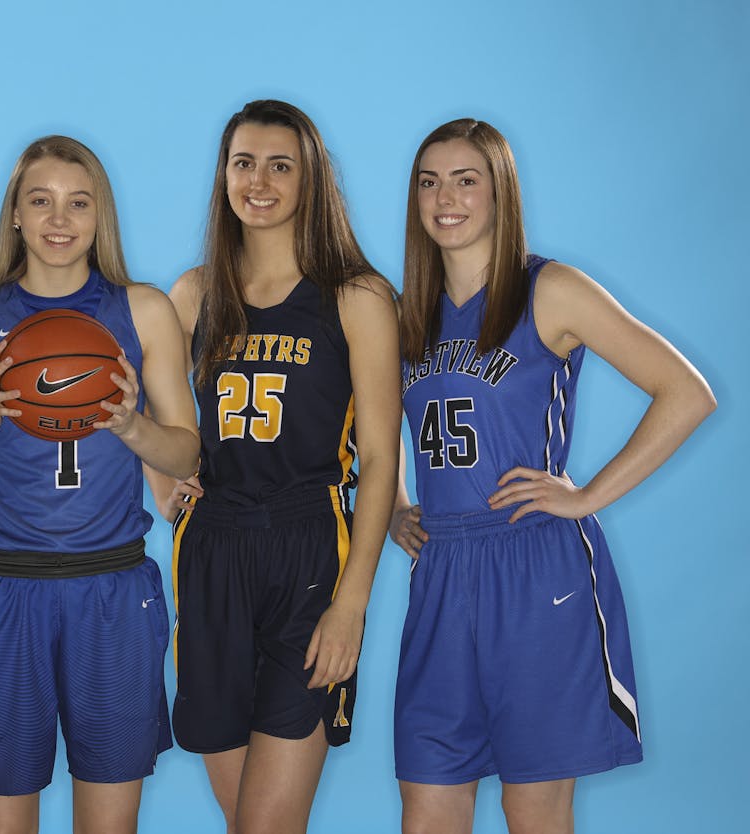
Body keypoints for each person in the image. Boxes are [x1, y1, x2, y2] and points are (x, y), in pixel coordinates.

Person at [388, 118, 715, 834]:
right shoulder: (403, 310)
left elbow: (687, 392)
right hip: (442, 569)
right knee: (427, 805)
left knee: (533, 808)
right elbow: (373, 431)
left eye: (466, 179)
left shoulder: (549, 289)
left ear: (500, 192)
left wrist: (589, 494)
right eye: (429, 181)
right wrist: (394, 507)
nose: (446, 197)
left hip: (535, 568)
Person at [0, 135, 199, 834]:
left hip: (112, 589)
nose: (58, 219)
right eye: (39, 201)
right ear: (14, 214)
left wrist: (132, 428)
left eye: (78, 203)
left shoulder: (142, 310)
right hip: (8, 590)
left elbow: (187, 450)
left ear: (99, 216)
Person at [143, 99, 401, 834]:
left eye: (279, 166)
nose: (259, 181)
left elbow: (380, 458)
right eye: (243, 163)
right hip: (213, 551)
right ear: (224, 174)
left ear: (310, 179)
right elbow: (149, 417)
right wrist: (166, 488)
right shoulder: (193, 294)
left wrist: (351, 605)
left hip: (310, 549)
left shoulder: (357, 297)